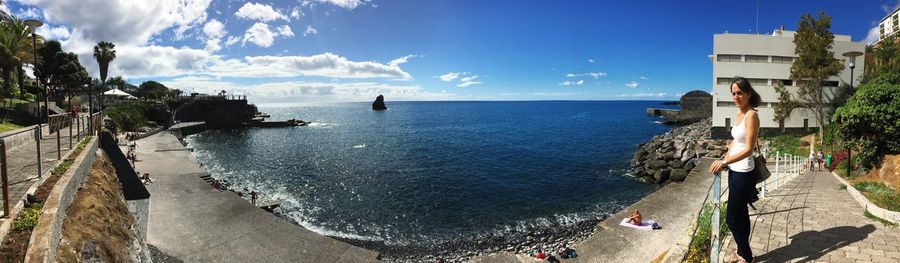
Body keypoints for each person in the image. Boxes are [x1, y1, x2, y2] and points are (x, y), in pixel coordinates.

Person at [708, 77, 760, 263]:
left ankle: (745, 255)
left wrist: (724, 162)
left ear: (748, 94)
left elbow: (748, 149)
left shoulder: (751, 115)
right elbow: (735, 142)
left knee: (731, 219)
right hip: (733, 169)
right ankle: (743, 252)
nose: (736, 96)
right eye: (734, 93)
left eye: (740, 93)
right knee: (742, 215)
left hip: (744, 173)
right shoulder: (739, 114)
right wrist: (725, 159)